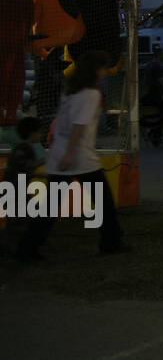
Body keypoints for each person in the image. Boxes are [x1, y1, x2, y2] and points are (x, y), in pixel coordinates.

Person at [18, 51, 125, 259]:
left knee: (49, 207)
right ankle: (111, 242)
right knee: (104, 203)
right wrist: (69, 154)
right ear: (95, 71)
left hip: (62, 155)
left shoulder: (71, 92)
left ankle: (28, 247)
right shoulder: (91, 95)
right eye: (102, 68)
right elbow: (79, 126)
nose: (105, 72)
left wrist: (63, 153)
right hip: (80, 157)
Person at [2, 118, 47, 258]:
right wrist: (43, 164)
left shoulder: (20, 148)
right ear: (32, 133)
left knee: (16, 222)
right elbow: (25, 168)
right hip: (16, 191)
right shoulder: (25, 149)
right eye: (39, 132)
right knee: (19, 222)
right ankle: (13, 250)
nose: (41, 135)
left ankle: (10, 248)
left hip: (13, 190)